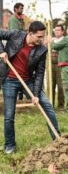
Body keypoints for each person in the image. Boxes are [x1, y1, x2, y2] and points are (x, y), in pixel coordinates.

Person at [0, 21, 61, 154]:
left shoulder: (42, 50)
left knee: (46, 104)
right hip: (9, 80)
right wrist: (2, 52)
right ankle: (10, 145)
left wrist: (36, 95)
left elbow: (40, 73)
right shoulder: (16, 34)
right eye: (39, 37)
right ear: (30, 33)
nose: (42, 39)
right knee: (9, 115)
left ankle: (58, 140)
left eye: (43, 36)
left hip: (28, 81)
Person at [51, 25, 65, 110]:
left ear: (62, 31)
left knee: (60, 86)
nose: (56, 32)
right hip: (51, 65)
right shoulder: (52, 40)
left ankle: (61, 105)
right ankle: (50, 104)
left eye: (59, 30)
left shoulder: (64, 40)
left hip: (60, 65)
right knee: (51, 85)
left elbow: (57, 47)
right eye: (55, 30)